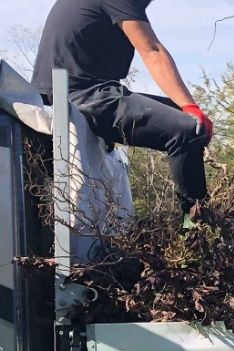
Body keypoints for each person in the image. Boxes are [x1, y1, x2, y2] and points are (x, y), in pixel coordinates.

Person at [31, 0, 213, 222]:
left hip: (74, 91)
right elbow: (153, 51)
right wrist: (192, 108)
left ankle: (197, 219)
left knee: (184, 118)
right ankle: (197, 228)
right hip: (83, 95)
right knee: (187, 129)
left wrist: (186, 109)